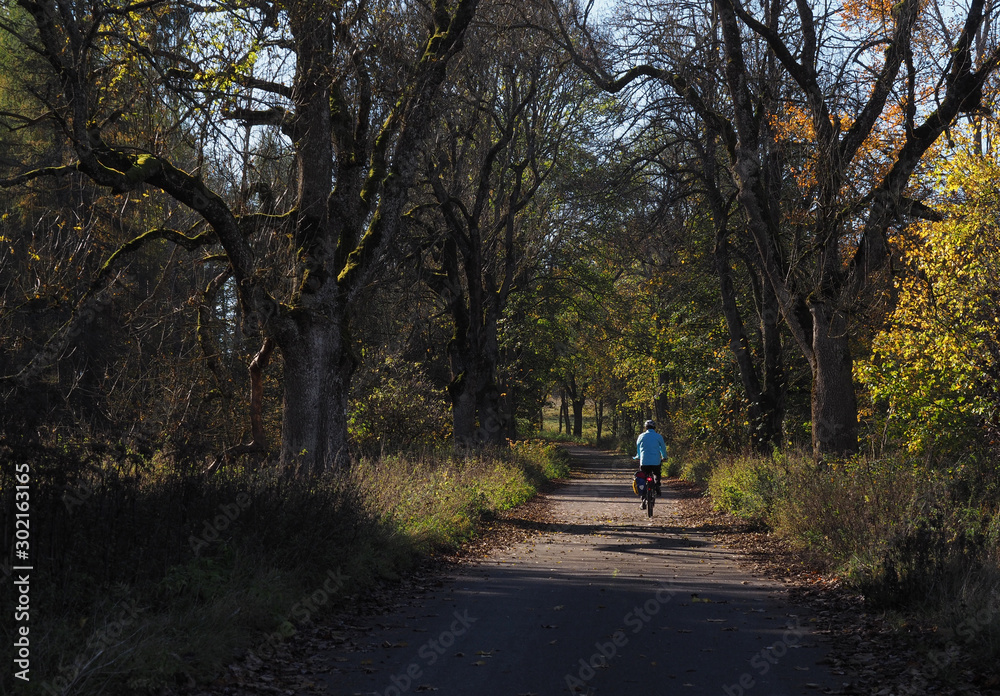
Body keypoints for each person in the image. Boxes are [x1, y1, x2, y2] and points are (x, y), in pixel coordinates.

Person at [633, 420, 666, 508]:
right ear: (654, 427)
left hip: (644, 461)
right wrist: (664, 456)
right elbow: (663, 448)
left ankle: (643, 499)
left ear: (645, 427)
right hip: (656, 461)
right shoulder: (658, 436)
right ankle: (657, 485)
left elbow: (638, 448)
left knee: (643, 477)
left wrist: (638, 457)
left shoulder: (641, 436)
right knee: (656, 473)